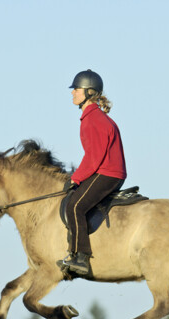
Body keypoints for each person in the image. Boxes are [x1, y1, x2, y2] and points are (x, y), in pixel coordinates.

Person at [59, 70, 127, 275]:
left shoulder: (93, 119)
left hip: (107, 173)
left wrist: (76, 178)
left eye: (76, 89)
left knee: (74, 206)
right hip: (107, 171)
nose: (73, 93)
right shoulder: (94, 117)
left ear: (89, 92)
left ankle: (81, 257)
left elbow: (93, 157)